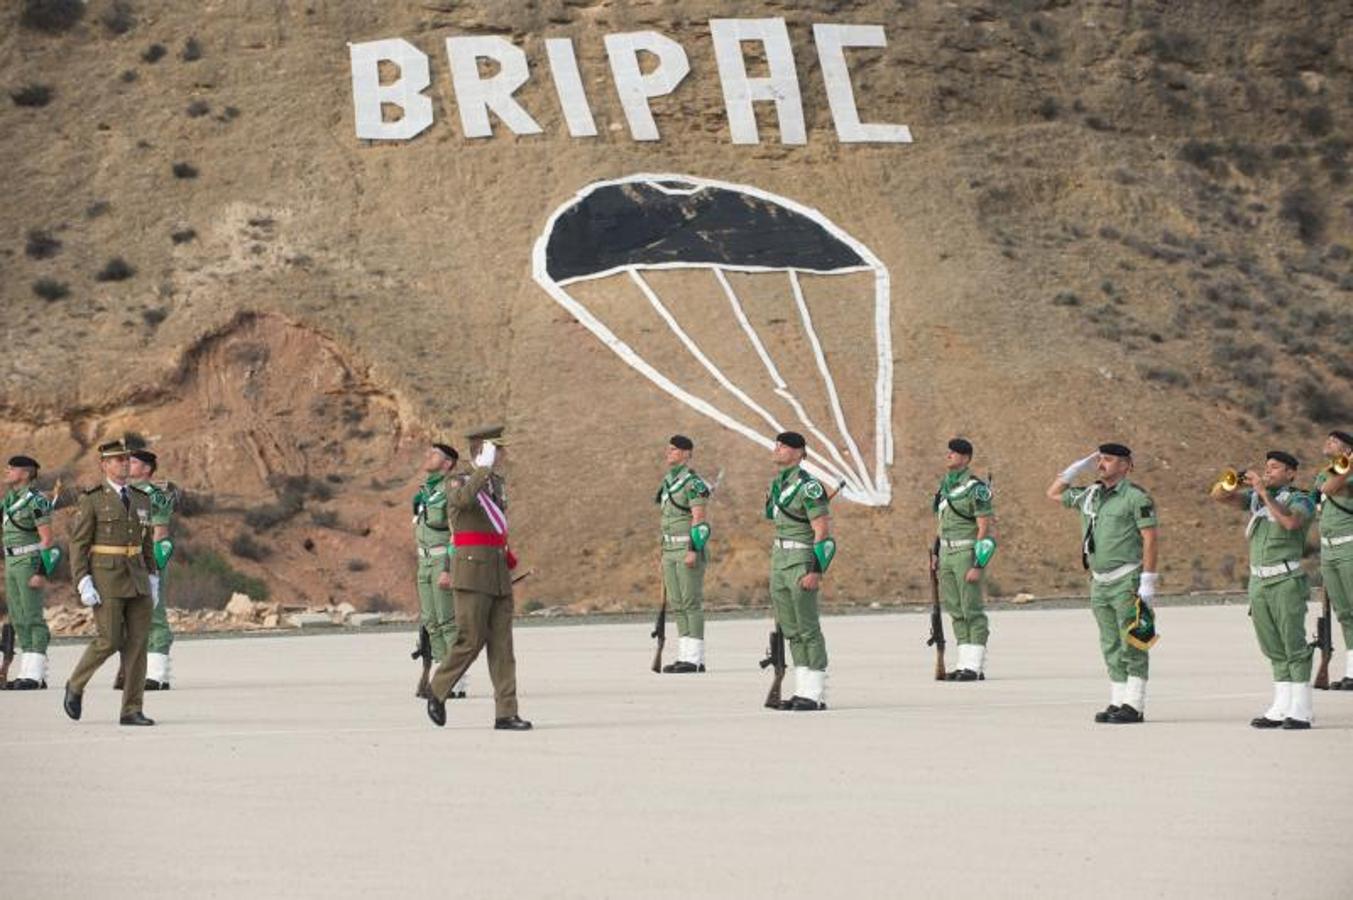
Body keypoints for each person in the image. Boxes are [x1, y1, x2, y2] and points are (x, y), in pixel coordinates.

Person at [426, 426, 530, 731]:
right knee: (469, 640)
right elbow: (462, 502)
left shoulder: (497, 482)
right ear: (484, 451)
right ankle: (438, 689)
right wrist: (481, 470)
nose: (504, 455)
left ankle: (506, 712)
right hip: (471, 572)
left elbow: (496, 527)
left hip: (497, 571)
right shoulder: (457, 480)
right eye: (499, 449)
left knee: (502, 647)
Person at [1046, 444, 1159, 724]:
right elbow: (1053, 493)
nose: (1101, 464)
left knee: (1133, 641)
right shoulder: (1090, 495)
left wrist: (1148, 580)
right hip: (1099, 581)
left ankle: (1134, 704)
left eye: (1108, 460)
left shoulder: (1135, 498)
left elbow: (1150, 538)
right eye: (1099, 460)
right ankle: (1117, 699)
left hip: (1126, 579)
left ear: (1125, 465)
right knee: (1110, 642)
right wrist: (1074, 470)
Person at [1212, 450, 1317, 729]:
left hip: (1285, 579)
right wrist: (1234, 482)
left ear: (1290, 473)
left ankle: (1302, 707)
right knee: (1271, 645)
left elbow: (1291, 522)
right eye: (1266, 467)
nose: (1268, 471)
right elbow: (1219, 496)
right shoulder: (1256, 499)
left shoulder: (1300, 498)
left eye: (1274, 468)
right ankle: (1282, 705)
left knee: (1293, 643)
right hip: (1259, 581)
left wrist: (1263, 491)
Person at [63, 439, 157, 726]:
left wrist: (154, 577)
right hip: (107, 577)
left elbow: (147, 541)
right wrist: (82, 581)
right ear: (104, 465)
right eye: (117, 460)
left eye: (127, 460)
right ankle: (75, 684)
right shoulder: (93, 498)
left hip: (138, 576)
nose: (124, 464)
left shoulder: (141, 498)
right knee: (110, 640)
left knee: (138, 645)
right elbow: (78, 544)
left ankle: (131, 709)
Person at [765, 431, 834, 711]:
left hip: (801, 558)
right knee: (790, 628)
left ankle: (815, 692)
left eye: (784, 447)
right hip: (780, 559)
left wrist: (816, 570)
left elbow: (822, 531)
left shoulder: (809, 487)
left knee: (807, 626)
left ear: (798, 452)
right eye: (777, 445)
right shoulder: (777, 485)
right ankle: (801, 689)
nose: (778, 449)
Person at [933, 438, 996, 681]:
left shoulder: (975, 488)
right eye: (948, 451)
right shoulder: (945, 487)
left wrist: (978, 563)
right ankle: (963, 663)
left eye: (955, 452)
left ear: (966, 458)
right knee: (956, 610)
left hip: (966, 552)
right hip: (947, 553)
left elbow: (984, 528)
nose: (949, 455)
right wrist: (936, 554)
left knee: (972, 609)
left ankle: (975, 665)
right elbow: (940, 525)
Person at [412, 442, 467, 699]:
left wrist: (449, 568)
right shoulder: (426, 490)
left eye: (434, 454)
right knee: (431, 622)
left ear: (448, 463)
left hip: (441, 559)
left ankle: (456, 678)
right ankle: (440, 674)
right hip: (423, 562)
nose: (428, 456)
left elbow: (458, 533)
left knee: (447, 620)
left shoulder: (451, 489)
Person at [656, 434, 711, 673]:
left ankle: (695, 658)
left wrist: (693, 549)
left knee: (691, 602)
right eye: (668, 449)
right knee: (677, 603)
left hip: (687, 546)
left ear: (686, 453)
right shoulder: (668, 481)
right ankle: (683, 654)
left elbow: (699, 519)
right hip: (669, 548)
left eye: (674, 450)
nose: (669, 453)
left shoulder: (693, 483)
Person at [2, 455, 56, 690]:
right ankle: (27, 670)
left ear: (25, 473)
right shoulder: (9, 500)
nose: (6, 472)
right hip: (12, 562)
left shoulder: (37, 501)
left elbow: (47, 539)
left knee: (32, 616)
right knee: (18, 617)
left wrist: (41, 571)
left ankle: (35, 673)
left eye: (10, 469)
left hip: (28, 561)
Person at [129, 449, 176, 690]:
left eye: (134, 462)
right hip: (128, 559)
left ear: (147, 469)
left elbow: (161, 533)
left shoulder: (155, 496)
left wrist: (154, 566)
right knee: (134, 616)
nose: (128, 465)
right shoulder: (126, 494)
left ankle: (157, 674)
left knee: (154, 613)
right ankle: (142, 669)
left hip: (147, 559)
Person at [1313, 430, 1353, 690]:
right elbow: (1319, 492)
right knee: (1345, 614)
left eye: (1335, 441)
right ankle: (1352, 671)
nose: (1328, 442)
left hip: (1349, 546)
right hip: (1328, 551)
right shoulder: (1324, 472)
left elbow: (1330, 489)